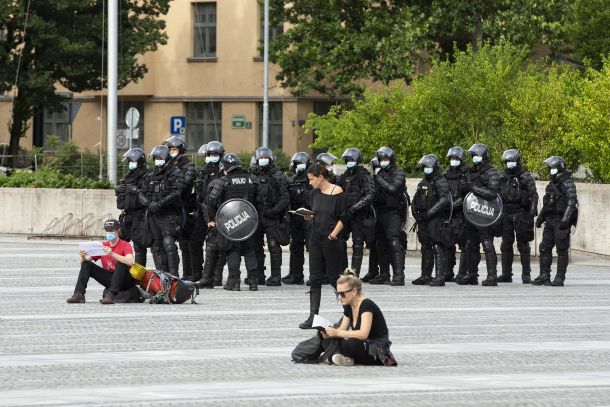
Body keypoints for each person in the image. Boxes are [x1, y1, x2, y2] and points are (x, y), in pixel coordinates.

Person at [299, 163, 346, 329]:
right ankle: (313, 316)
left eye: (312, 179)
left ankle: (347, 314)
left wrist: (334, 234)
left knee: (335, 279)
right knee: (314, 278)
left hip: (331, 240)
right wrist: (309, 216)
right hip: (315, 238)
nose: (310, 182)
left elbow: (344, 217)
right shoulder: (314, 194)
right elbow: (317, 214)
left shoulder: (337, 191)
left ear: (320, 177)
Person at [207, 154, 263, 291]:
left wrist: (213, 219)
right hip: (249, 221)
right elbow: (261, 201)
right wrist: (256, 219)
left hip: (230, 222)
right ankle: (253, 282)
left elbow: (210, 201)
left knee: (233, 250)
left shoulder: (223, 180)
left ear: (225, 168)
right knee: (250, 250)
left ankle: (234, 282)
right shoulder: (253, 180)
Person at [322, 270, 397, 366]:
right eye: (337, 294)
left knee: (353, 343)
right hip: (363, 346)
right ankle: (342, 358)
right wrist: (330, 333)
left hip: (375, 351)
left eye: (342, 294)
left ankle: (337, 355)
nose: (339, 298)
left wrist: (337, 333)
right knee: (325, 338)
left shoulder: (366, 305)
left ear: (354, 291)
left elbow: (363, 334)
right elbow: (342, 329)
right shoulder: (349, 305)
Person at [138, 145, 185, 277]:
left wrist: (159, 204)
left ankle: (174, 275)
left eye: (160, 158)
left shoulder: (175, 172)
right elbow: (142, 193)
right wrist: (149, 204)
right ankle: (162, 275)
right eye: (156, 158)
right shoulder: (152, 174)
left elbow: (177, 192)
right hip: (153, 215)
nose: (157, 160)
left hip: (168, 214)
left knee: (169, 245)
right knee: (156, 246)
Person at [458, 143, 501, 286]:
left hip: (486, 213)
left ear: (483, 156)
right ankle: (472, 274)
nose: (474, 158)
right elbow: (464, 190)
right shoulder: (470, 172)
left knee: (487, 243)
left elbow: (492, 193)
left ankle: (492, 276)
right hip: (471, 212)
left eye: (476, 156)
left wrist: (473, 188)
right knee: (471, 244)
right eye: (472, 156)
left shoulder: (492, 172)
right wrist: (464, 187)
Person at [533, 156, 578, 286]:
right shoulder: (551, 185)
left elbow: (571, 203)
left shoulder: (568, 183)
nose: (550, 170)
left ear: (558, 168)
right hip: (550, 220)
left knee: (562, 250)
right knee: (544, 248)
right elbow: (547, 205)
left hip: (560, 221)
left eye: (552, 168)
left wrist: (565, 221)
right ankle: (544, 275)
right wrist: (540, 219)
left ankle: (559, 278)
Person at [66, 219, 135, 304]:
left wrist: (112, 254)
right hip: (110, 278)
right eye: (107, 230)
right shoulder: (103, 246)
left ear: (118, 230)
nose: (109, 232)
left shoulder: (125, 245)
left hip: (125, 280)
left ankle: (111, 295)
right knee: (86, 264)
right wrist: (83, 256)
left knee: (121, 263)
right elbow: (86, 262)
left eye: (111, 230)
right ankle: (79, 294)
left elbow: (130, 261)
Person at [250, 147, 290, 286]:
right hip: (256, 215)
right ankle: (258, 276)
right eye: (260, 158)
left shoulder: (279, 176)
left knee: (274, 246)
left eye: (265, 157)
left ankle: (275, 277)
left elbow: (285, 197)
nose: (263, 160)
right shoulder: (252, 176)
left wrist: (274, 211)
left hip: (272, 216)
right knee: (255, 246)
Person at [498, 149, 538, 284]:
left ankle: (526, 274)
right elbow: (496, 195)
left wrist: (532, 212)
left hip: (522, 213)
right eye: (507, 162)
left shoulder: (525, 177)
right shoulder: (501, 177)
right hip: (506, 213)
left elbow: (533, 195)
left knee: (523, 244)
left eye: (511, 161)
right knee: (506, 245)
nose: (509, 164)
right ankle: (506, 274)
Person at [411, 154, 451, 286]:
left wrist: (430, 213)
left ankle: (439, 276)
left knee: (437, 246)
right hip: (423, 220)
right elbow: (415, 200)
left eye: (428, 166)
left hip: (436, 220)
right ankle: (425, 275)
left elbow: (444, 200)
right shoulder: (423, 182)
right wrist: (416, 214)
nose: (426, 169)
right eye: (424, 167)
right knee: (425, 247)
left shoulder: (440, 181)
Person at [370, 147, 407, 286]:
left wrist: (379, 178)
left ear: (391, 159)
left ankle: (399, 275)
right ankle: (384, 274)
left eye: (385, 159)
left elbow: (393, 189)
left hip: (393, 212)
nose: (383, 162)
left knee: (394, 242)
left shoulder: (398, 172)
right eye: (381, 160)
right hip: (379, 211)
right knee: (380, 244)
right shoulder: (378, 174)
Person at [337, 148, 376, 277]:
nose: (349, 162)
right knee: (340, 241)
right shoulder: (344, 176)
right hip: (345, 215)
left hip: (359, 215)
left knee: (358, 245)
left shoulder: (364, 175)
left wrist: (354, 208)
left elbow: (369, 195)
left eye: (351, 160)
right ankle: (343, 271)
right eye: (347, 160)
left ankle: (354, 274)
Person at [194, 141, 226, 287]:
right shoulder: (203, 171)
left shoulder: (224, 170)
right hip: (204, 211)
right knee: (197, 242)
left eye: (215, 154)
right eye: (210, 154)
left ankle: (216, 276)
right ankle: (202, 274)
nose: (212, 157)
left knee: (218, 245)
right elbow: (200, 194)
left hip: (220, 212)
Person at [166, 136, 197, 281]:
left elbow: (184, 186)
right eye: (170, 149)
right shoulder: (167, 165)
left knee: (185, 243)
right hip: (168, 207)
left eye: (174, 149)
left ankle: (188, 273)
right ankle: (169, 274)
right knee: (167, 243)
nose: (172, 152)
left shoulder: (188, 166)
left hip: (183, 207)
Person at [115, 148, 150, 266]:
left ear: (139, 161)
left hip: (140, 214)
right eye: (129, 161)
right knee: (120, 244)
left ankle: (138, 276)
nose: (130, 164)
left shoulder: (147, 175)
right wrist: (118, 189)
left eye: (132, 161)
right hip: (127, 214)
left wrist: (136, 190)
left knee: (139, 246)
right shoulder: (129, 175)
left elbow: (146, 195)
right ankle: (119, 273)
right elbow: (123, 191)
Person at [283, 152, 313, 285]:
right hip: (296, 216)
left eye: (300, 164)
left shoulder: (312, 180)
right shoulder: (293, 180)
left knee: (312, 247)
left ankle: (315, 275)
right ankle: (296, 274)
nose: (298, 166)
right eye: (296, 164)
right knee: (295, 246)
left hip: (310, 217)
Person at [442, 146, 470, 282]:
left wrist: (456, 204)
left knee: (465, 245)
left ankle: (462, 273)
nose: (454, 160)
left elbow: (469, 194)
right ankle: (448, 272)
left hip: (463, 214)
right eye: (452, 158)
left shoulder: (466, 174)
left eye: (456, 158)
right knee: (448, 244)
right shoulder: (445, 175)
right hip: (449, 214)